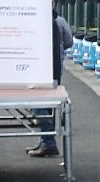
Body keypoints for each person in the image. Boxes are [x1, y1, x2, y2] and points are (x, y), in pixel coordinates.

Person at [28, 11, 74, 158]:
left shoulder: (45, 21)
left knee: (41, 106)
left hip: (46, 72)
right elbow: (69, 42)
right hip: (55, 68)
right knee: (47, 106)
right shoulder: (60, 21)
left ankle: (48, 142)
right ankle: (45, 140)